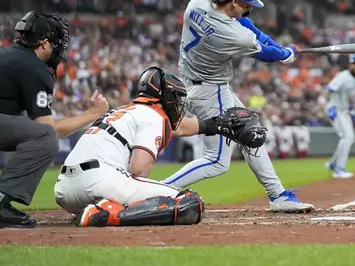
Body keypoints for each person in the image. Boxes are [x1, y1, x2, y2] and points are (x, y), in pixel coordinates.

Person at [162, 0, 314, 213]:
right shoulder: (231, 35)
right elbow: (265, 53)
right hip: (211, 90)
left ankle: (277, 195)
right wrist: (287, 54)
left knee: (250, 134)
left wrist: (277, 45)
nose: (248, 10)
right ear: (233, 2)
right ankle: (157, 189)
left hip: (198, 82)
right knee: (217, 160)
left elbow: (248, 27)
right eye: (246, 5)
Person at [55, 66, 264, 227]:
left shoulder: (127, 110)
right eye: (176, 97)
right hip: (99, 181)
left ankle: (99, 209)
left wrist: (214, 125)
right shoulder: (155, 116)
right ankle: (107, 214)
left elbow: (178, 128)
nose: (179, 104)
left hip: (65, 190)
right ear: (166, 97)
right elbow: (139, 169)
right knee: (190, 203)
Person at [0, 11, 110, 229]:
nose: (58, 49)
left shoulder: (9, 56)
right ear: (43, 44)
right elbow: (47, 129)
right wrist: (92, 114)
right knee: (44, 136)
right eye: (55, 44)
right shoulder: (34, 66)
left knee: (24, 124)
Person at [324, 54, 355, 179]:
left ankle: (333, 163)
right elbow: (328, 90)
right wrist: (328, 107)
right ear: (349, 64)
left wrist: (352, 113)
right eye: (353, 63)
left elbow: (350, 97)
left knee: (348, 138)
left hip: (345, 110)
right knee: (348, 136)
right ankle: (339, 169)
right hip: (335, 108)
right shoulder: (342, 76)